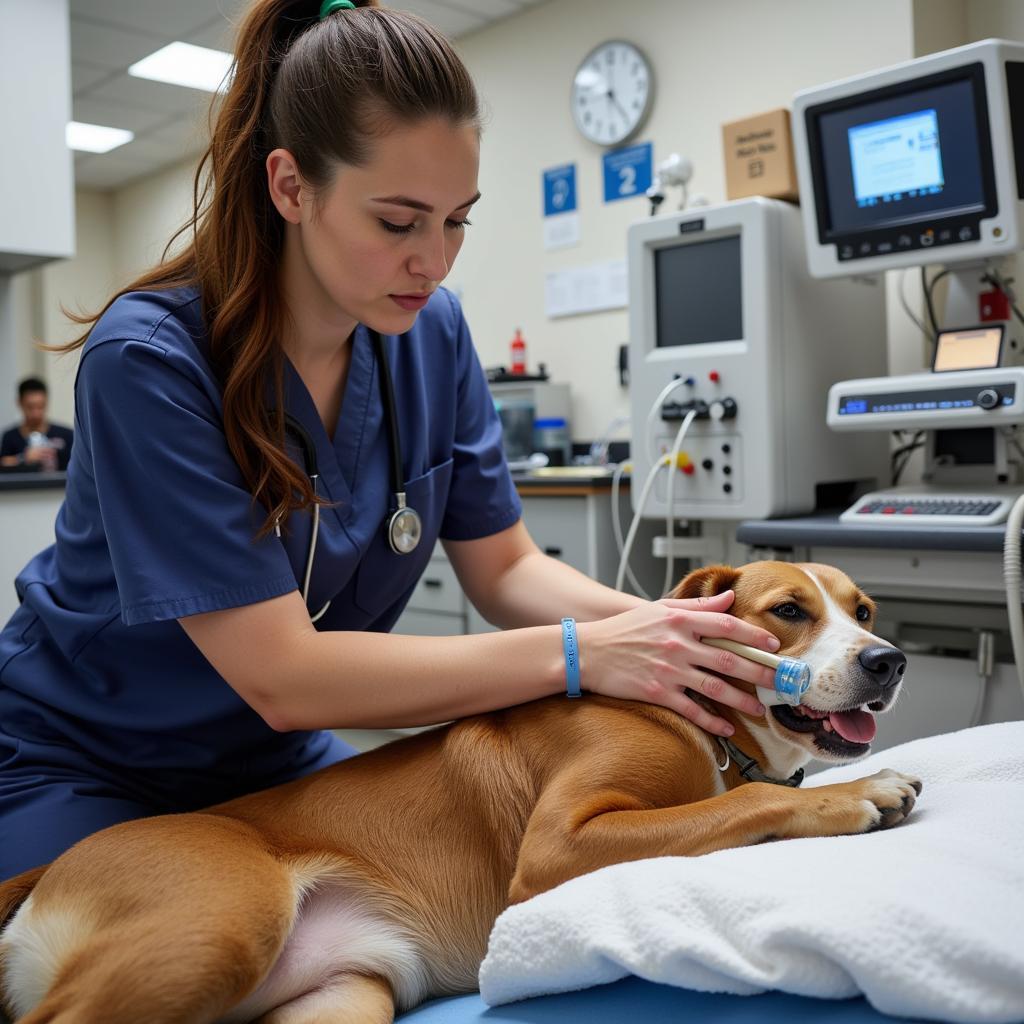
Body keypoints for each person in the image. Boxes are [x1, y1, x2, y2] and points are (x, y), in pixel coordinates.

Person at [0, 0, 781, 882]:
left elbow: (507, 571)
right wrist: (581, 655)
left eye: (457, 220)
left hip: (266, 762)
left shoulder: (430, 332)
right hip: (86, 762)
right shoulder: (150, 361)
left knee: (437, 914)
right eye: (399, 222)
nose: (436, 261)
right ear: (291, 187)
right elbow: (285, 677)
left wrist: (678, 635)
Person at [0, 376, 74, 471]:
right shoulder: (10, 437)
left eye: (40, 406)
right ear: (20, 403)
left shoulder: (66, 434)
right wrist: (23, 458)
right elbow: (3, 464)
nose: (36, 413)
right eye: (30, 407)